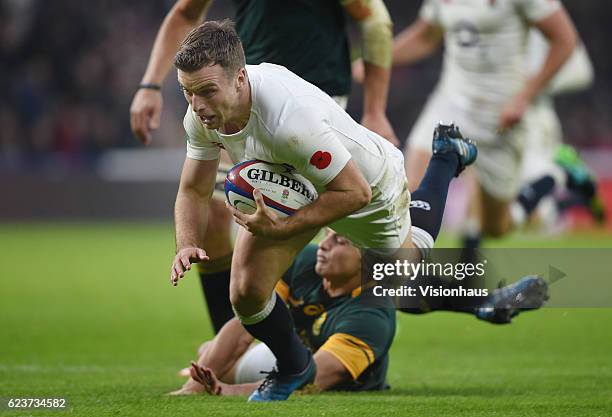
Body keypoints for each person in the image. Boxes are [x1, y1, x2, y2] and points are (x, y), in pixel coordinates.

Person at [168, 20, 477, 401]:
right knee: (246, 293)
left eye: (206, 91)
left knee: (406, 265)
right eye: (188, 92)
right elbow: (193, 188)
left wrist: (283, 229)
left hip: (367, 185)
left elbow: (355, 192)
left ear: (241, 80)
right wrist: (186, 243)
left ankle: (446, 157)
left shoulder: (290, 121)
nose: (197, 104)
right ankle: (295, 367)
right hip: (293, 181)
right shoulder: (202, 113)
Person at [129, 0, 397, 335]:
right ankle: (225, 355)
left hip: (313, 109)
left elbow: (374, 19)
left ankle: (355, 343)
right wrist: (150, 85)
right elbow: (185, 13)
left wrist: (375, 109)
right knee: (213, 218)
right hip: (238, 103)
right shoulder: (213, 100)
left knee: (358, 249)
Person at [170, 230, 548, 396]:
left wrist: (225, 391)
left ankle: (483, 301)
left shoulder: (371, 316)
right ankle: (482, 303)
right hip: (301, 345)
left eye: (339, 241)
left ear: (364, 259)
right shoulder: (305, 262)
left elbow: (308, 381)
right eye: (328, 235)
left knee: (401, 283)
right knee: (212, 350)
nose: (324, 245)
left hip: (324, 365)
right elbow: (245, 325)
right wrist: (195, 388)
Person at [392, 0, 578, 241]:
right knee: (410, 190)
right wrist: (375, 61)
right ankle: (411, 277)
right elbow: (426, 36)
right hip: (451, 102)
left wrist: (524, 97)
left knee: (496, 226)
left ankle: (547, 180)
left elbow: (565, 40)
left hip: (500, 115)